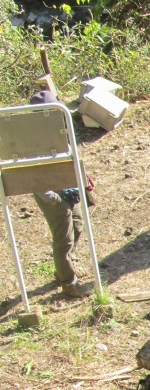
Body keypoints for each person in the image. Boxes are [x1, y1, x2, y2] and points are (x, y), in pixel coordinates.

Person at [28, 90, 92, 298]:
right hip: (51, 193)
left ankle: (66, 267)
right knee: (63, 240)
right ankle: (68, 283)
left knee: (78, 226)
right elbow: (30, 172)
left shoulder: (60, 128)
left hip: (68, 187)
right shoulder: (30, 138)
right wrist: (50, 196)